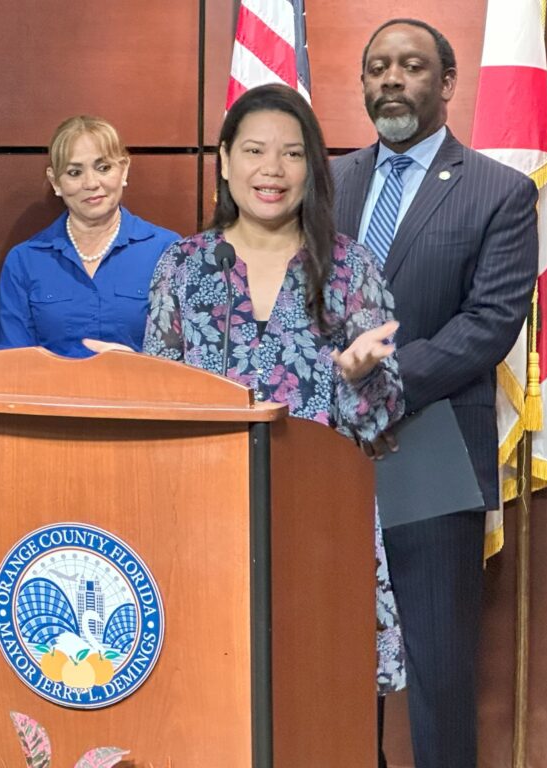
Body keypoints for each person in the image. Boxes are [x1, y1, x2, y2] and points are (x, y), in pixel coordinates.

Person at [138, 82, 406, 704]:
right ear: (226, 159)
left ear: (311, 168)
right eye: (255, 151)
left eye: (290, 154)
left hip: (319, 523)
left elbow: (383, 425)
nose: (272, 170)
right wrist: (137, 382)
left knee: (317, 703)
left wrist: (359, 375)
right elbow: (163, 409)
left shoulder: (350, 267)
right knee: (210, 699)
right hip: (203, 526)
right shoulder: (181, 266)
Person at [332, 19, 538, 768]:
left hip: (434, 446)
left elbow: (488, 325)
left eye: (411, 66)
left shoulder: (500, 192)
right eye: (378, 66)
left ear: (447, 84)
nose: (392, 79)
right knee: (331, 658)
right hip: (324, 451)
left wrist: (376, 378)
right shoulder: (330, 180)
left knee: (438, 666)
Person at [0, 115, 179, 357]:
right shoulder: (24, 261)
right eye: (74, 172)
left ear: (124, 170)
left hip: (142, 393)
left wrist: (139, 366)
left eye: (103, 168)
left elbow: (187, 360)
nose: (91, 183)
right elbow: (10, 364)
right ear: (55, 181)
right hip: (50, 394)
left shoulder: (168, 251)